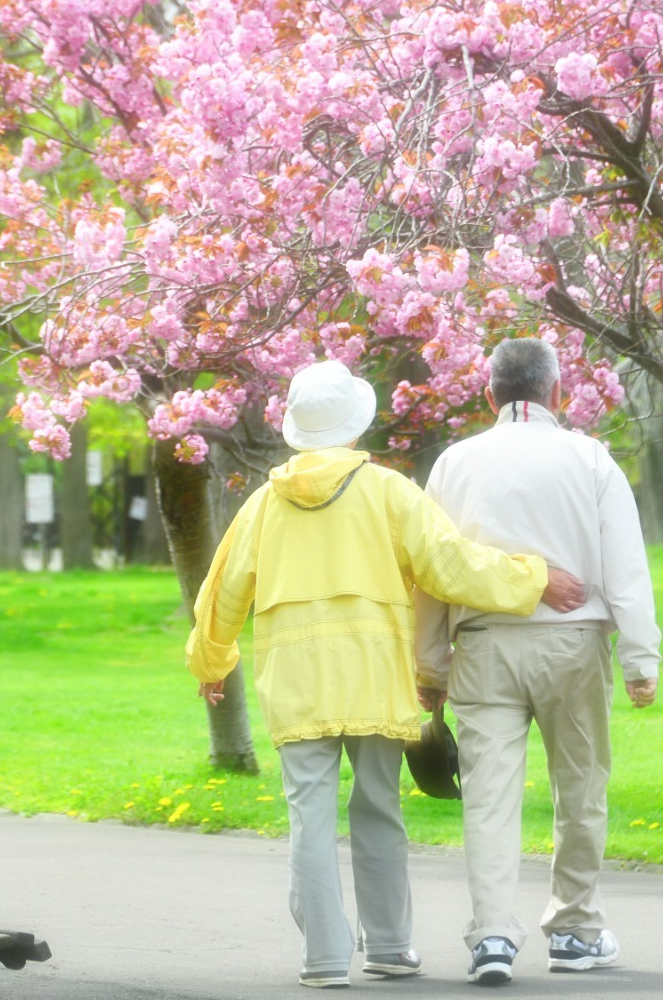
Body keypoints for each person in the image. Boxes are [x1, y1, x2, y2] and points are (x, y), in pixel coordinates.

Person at [185, 359, 587, 990]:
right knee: (378, 809)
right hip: (374, 677)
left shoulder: (264, 505)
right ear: (352, 427)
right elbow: (451, 567)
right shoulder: (390, 491)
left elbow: (222, 589)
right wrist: (533, 578)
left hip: (296, 683)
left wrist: (211, 661)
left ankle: (322, 958)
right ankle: (392, 948)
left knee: (308, 820)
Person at [412, 338, 660, 986]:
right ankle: (575, 928)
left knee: (488, 799)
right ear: (558, 394)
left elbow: (433, 571)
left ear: (489, 394)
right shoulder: (589, 458)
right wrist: (640, 656)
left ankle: (492, 934)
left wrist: (429, 666)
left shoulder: (455, 463)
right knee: (579, 788)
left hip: (484, 644)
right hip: (572, 642)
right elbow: (626, 565)